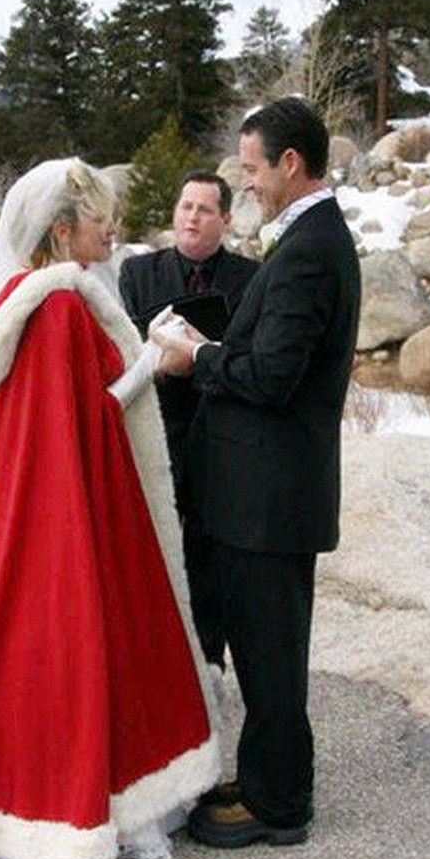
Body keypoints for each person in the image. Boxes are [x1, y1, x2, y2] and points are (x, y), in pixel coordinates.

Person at [0, 158, 220, 859]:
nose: (113, 232)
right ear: (63, 232)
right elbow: (86, 417)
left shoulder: (22, 299)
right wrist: (152, 362)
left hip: (24, 499)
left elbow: (49, 413)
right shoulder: (60, 306)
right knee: (83, 643)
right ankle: (81, 803)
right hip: (75, 501)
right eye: (101, 224)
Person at [153, 98, 361, 848]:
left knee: (271, 652)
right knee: (265, 645)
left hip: (270, 499)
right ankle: (270, 776)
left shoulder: (308, 250)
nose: (247, 184)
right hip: (264, 493)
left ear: (289, 165)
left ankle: (278, 805)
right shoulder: (309, 239)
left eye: (251, 170)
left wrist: (196, 357)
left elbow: (273, 376)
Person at [119, 172, 257, 668]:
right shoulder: (138, 273)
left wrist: (201, 356)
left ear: (225, 218)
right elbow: (126, 348)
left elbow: (249, 359)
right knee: (149, 554)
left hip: (221, 436)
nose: (191, 217)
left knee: (209, 560)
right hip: (157, 432)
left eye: (203, 209)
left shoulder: (250, 279)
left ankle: (210, 666)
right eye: (184, 207)